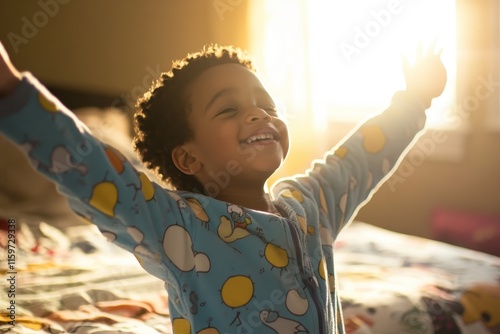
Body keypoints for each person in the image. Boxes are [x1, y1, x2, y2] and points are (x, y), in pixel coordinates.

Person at [0, 41, 446, 333]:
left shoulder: (311, 203)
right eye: (228, 109)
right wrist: (12, 92)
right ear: (189, 158)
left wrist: (414, 101)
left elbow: (361, 159)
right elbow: (98, 172)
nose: (258, 114)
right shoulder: (179, 226)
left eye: (265, 104)